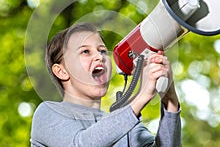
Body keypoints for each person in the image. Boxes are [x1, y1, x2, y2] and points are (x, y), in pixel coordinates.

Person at [30, 23, 181, 147]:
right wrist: (142, 96)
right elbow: (81, 144)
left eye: (102, 51)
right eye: (85, 51)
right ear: (61, 71)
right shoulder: (48, 113)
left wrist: (170, 102)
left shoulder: (127, 125)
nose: (99, 57)